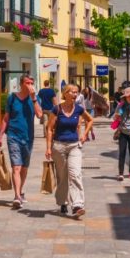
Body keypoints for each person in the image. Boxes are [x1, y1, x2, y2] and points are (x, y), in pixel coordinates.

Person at [45, 84, 93, 218]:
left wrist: (84, 134)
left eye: (76, 92)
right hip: (58, 145)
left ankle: (78, 205)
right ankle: (63, 202)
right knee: (62, 177)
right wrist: (48, 147)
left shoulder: (79, 109)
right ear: (65, 93)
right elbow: (49, 129)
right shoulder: (57, 109)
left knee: (75, 174)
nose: (75, 95)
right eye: (72, 92)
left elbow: (90, 120)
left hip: (74, 145)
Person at [0, 74, 43, 209]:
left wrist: (34, 99)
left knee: (24, 168)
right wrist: (0, 136)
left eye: (32, 83)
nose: (30, 86)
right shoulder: (12, 98)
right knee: (16, 167)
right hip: (13, 135)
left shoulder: (35, 98)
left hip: (28, 137)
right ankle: (17, 196)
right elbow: (6, 118)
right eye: (27, 83)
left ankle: (20, 192)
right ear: (21, 84)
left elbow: (40, 115)